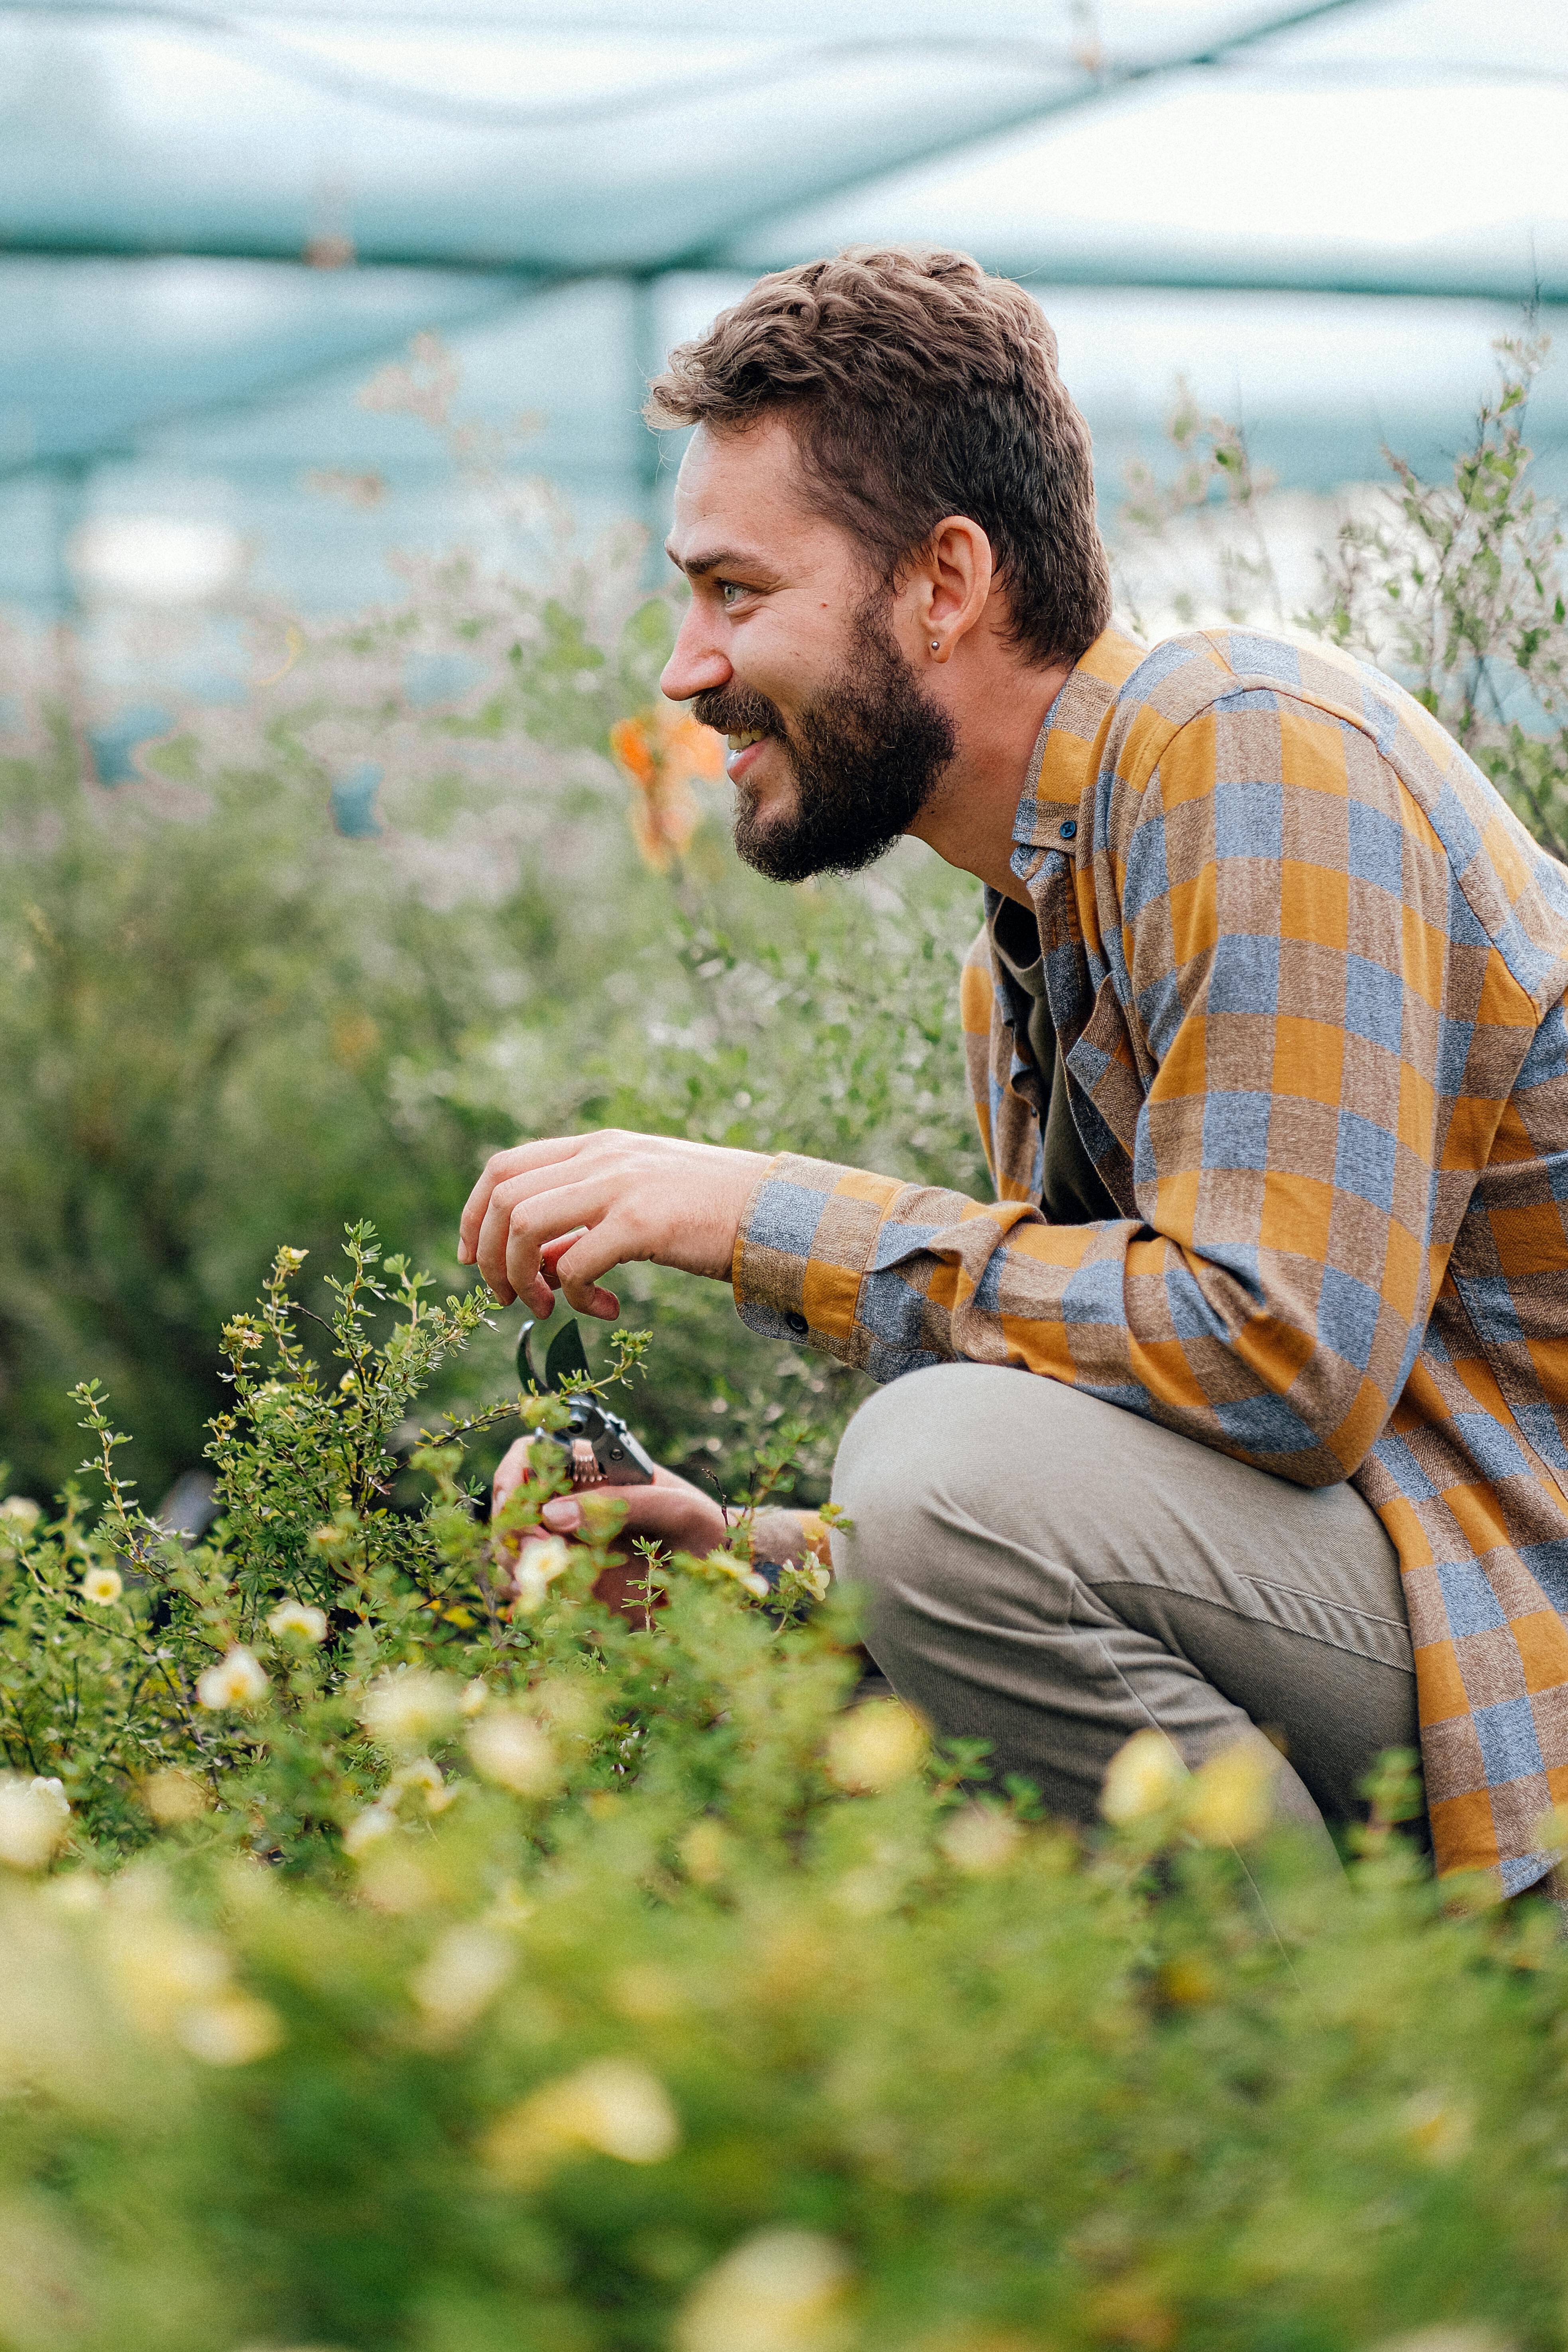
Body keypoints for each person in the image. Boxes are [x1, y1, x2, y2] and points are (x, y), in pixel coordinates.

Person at [463, 246, 1568, 1897]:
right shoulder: (1030, 936)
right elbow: (1105, 1506)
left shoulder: (1244, 746)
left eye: (734, 591)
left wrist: (761, 1211)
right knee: (940, 1480)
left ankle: (1320, 2092)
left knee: (943, 1462)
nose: (686, 667)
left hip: (1523, 1624)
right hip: (1450, 1612)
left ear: (944, 580)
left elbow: (1279, 1359)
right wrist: (749, 1566)